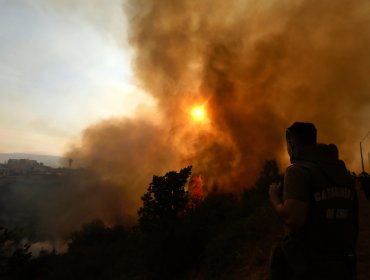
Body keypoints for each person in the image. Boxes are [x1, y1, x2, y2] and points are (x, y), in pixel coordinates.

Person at [269, 122, 358, 280]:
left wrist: (274, 197)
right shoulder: (341, 171)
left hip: (310, 266)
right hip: (341, 263)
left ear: (291, 142)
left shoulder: (298, 171)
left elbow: (293, 218)